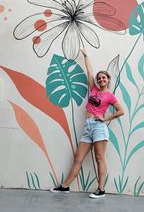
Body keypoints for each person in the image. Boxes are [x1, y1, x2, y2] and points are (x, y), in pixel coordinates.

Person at [50, 48, 124, 199]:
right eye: (100, 78)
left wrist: (105, 118)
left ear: (108, 80)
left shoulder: (110, 96)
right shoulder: (94, 89)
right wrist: (86, 56)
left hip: (99, 128)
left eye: (104, 78)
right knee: (78, 158)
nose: (101, 80)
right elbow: (89, 72)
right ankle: (65, 186)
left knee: (99, 158)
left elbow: (121, 111)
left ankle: (101, 189)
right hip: (88, 127)